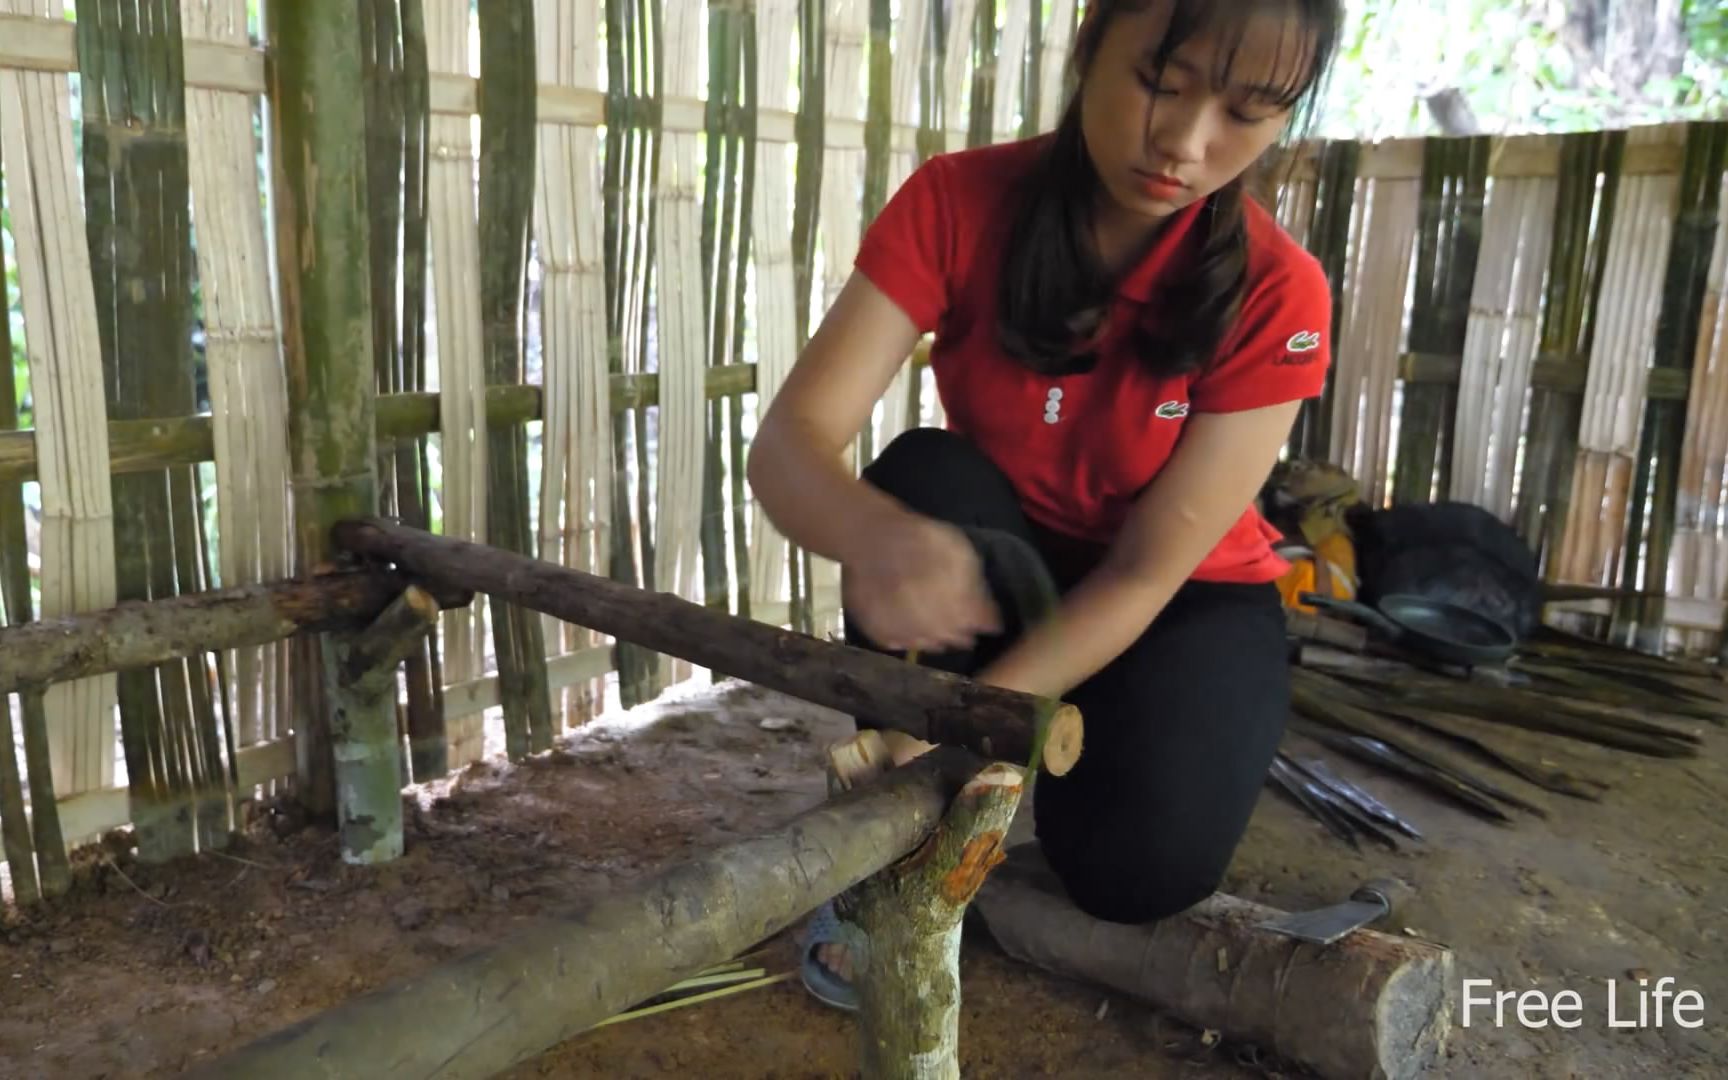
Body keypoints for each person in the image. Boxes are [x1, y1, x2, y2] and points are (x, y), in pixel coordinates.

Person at [746, 0, 1343, 1011]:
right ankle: (927, 824)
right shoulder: (960, 201)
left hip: (1176, 594)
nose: (1189, 143)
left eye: (1248, 111)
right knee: (922, 478)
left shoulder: (1280, 293)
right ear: (1089, 47)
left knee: (1137, 877)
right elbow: (788, 447)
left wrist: (965, 726)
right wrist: (873, 535)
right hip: (1011, 560)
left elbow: (1149, 570)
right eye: (1162, 80)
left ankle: (974, 778)